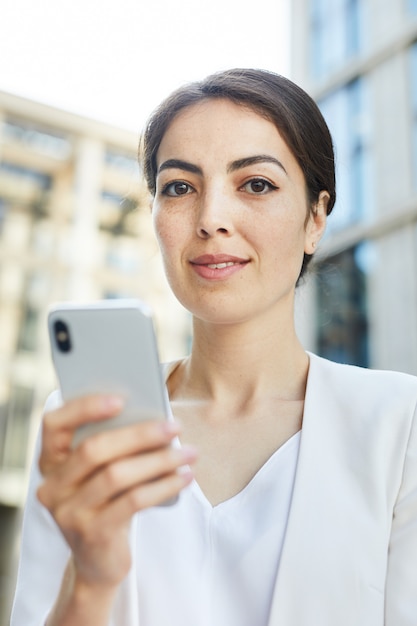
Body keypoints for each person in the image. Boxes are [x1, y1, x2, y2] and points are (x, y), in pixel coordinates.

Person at [11, 68, 417, 626]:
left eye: (256, 184)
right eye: (179, 187)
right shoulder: (84, 418)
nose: (210, 220)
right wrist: (90, 583)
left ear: (315, 219)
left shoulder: (400, 425)